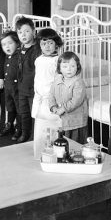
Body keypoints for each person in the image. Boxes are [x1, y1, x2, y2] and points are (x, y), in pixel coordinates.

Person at [32, 28, 64, 158]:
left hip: (52, 97)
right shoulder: (38, 60)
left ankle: (55, 153)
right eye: (44, 43)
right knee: (40, 128)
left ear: (56, 44)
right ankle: (40, 153)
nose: (47, 46)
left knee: (53, 127)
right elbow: (38, 79)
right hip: (40, 97)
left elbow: (59, 79)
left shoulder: (57, 60)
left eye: (50, 43)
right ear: (39, 45)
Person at [48, 51, 88, 144]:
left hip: (75, 120)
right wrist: (53, 106)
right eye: (65, 67)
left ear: (77, 67)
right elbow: (51, 95)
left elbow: (76, 101)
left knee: (74, 143)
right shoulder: (57, 80)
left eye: (72, 66)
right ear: (60, 68)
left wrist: (63, 108)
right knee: (61, 142)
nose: (69, 69)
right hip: (60, 119)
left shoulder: (78, 82)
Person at [14, 17, 41, 143]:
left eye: (26, 31)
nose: (23, 35)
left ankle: (34, 137)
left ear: (34, 31)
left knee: (33, 113)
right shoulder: (20, 49)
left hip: (32, 88)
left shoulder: (36, 50)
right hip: (22, 87)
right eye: (20, 32)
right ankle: (25, 133)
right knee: (23, 112)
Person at [0, 31, 20, 137]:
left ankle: (19, 128)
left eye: (10, 43)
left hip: (17, 87)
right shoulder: (6, 57)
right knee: (9, 106)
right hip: (8, 87)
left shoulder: (20, 56)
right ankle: (9, 125)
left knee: (18, 107)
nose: (7, 46)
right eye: (4, 44)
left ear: (17, 43)